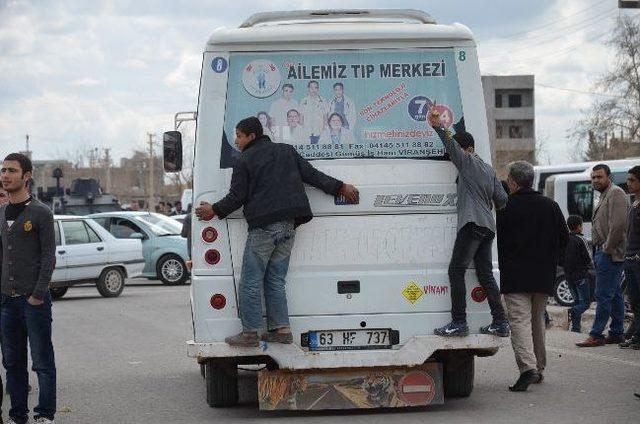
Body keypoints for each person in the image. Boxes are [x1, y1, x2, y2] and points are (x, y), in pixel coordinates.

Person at [195, 117, 359, 347]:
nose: (236, 140)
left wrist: (214, 209)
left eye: (239, 136)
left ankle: (250, 332)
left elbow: (237, 196)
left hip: (264, 227)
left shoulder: (245, 160)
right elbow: (312, 176)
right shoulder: (286, 151)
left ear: (252, 136)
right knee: (275, 279)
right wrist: (341, 187)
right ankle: (281, 330)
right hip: (289, 225)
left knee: (251, 282)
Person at [427, 108, 510, 338]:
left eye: (460, 151)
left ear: (470, 149)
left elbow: (452, 146)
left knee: (456, 270)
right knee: (485, 274)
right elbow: (502, 201)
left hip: (471, 224)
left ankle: (459, 322)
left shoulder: (468, 162)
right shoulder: (490, 170)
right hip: (487, 227)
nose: (454, 157)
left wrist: (437, 126)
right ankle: (500, 322)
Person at [497, 160, 568, 392]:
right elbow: (564, 240)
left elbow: (497, 241)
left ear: (513, 182)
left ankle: (527, 369)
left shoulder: (505, 207)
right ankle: (538, 367)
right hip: (543, 277)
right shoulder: (551, 206)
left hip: (516, 277)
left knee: (519, 321)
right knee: (538, 320)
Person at [0, 153, 57, 423]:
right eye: (3, 170)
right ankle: (17, 416)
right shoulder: (0, 214)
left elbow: (48, 257)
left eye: (11, 170)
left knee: (42, 362)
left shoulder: (41, 213)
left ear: (27, 176)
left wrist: (37, 294)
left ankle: (44, 414)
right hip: (6, 303)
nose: (5, 175)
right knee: (13, 365)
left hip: (34, 302)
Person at [577, 164, 629, 347]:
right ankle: (616, 333)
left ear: (609, 177)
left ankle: (596, 334)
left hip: (610, 253)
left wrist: (606, 249)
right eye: (593, 178)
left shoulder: (616, 193)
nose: (595, 181)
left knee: (603, 294)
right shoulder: (604, 195)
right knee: (614, 294)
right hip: (602, 251)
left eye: (599, 177)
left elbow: (619, 225)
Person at [620, 165, 640, 350]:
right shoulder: (633, 203)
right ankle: (636, 336)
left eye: (632, 180)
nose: (629, 183)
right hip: (629, 258)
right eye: (628, 180)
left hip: (637, 260)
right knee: (634, 300)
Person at [564, 215, 594, 333]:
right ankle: (573, 312)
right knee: (585, 303)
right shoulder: (581, 240)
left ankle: (575, 328)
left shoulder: (565, 239)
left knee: (577, 302)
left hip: (569, 276)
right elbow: (589, 258)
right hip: (581, 276)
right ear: (579, 227)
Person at [299, 80, 328, 144]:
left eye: (316, 88)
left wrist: (324, 130)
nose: (313, 90)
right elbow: (301, 117)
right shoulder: (303, 101)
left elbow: (325, 117)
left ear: (318, 89)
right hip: (306, 132)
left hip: (319, 132)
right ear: (308, 89)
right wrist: (301, 130)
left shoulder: (323, 101)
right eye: (311, 88)